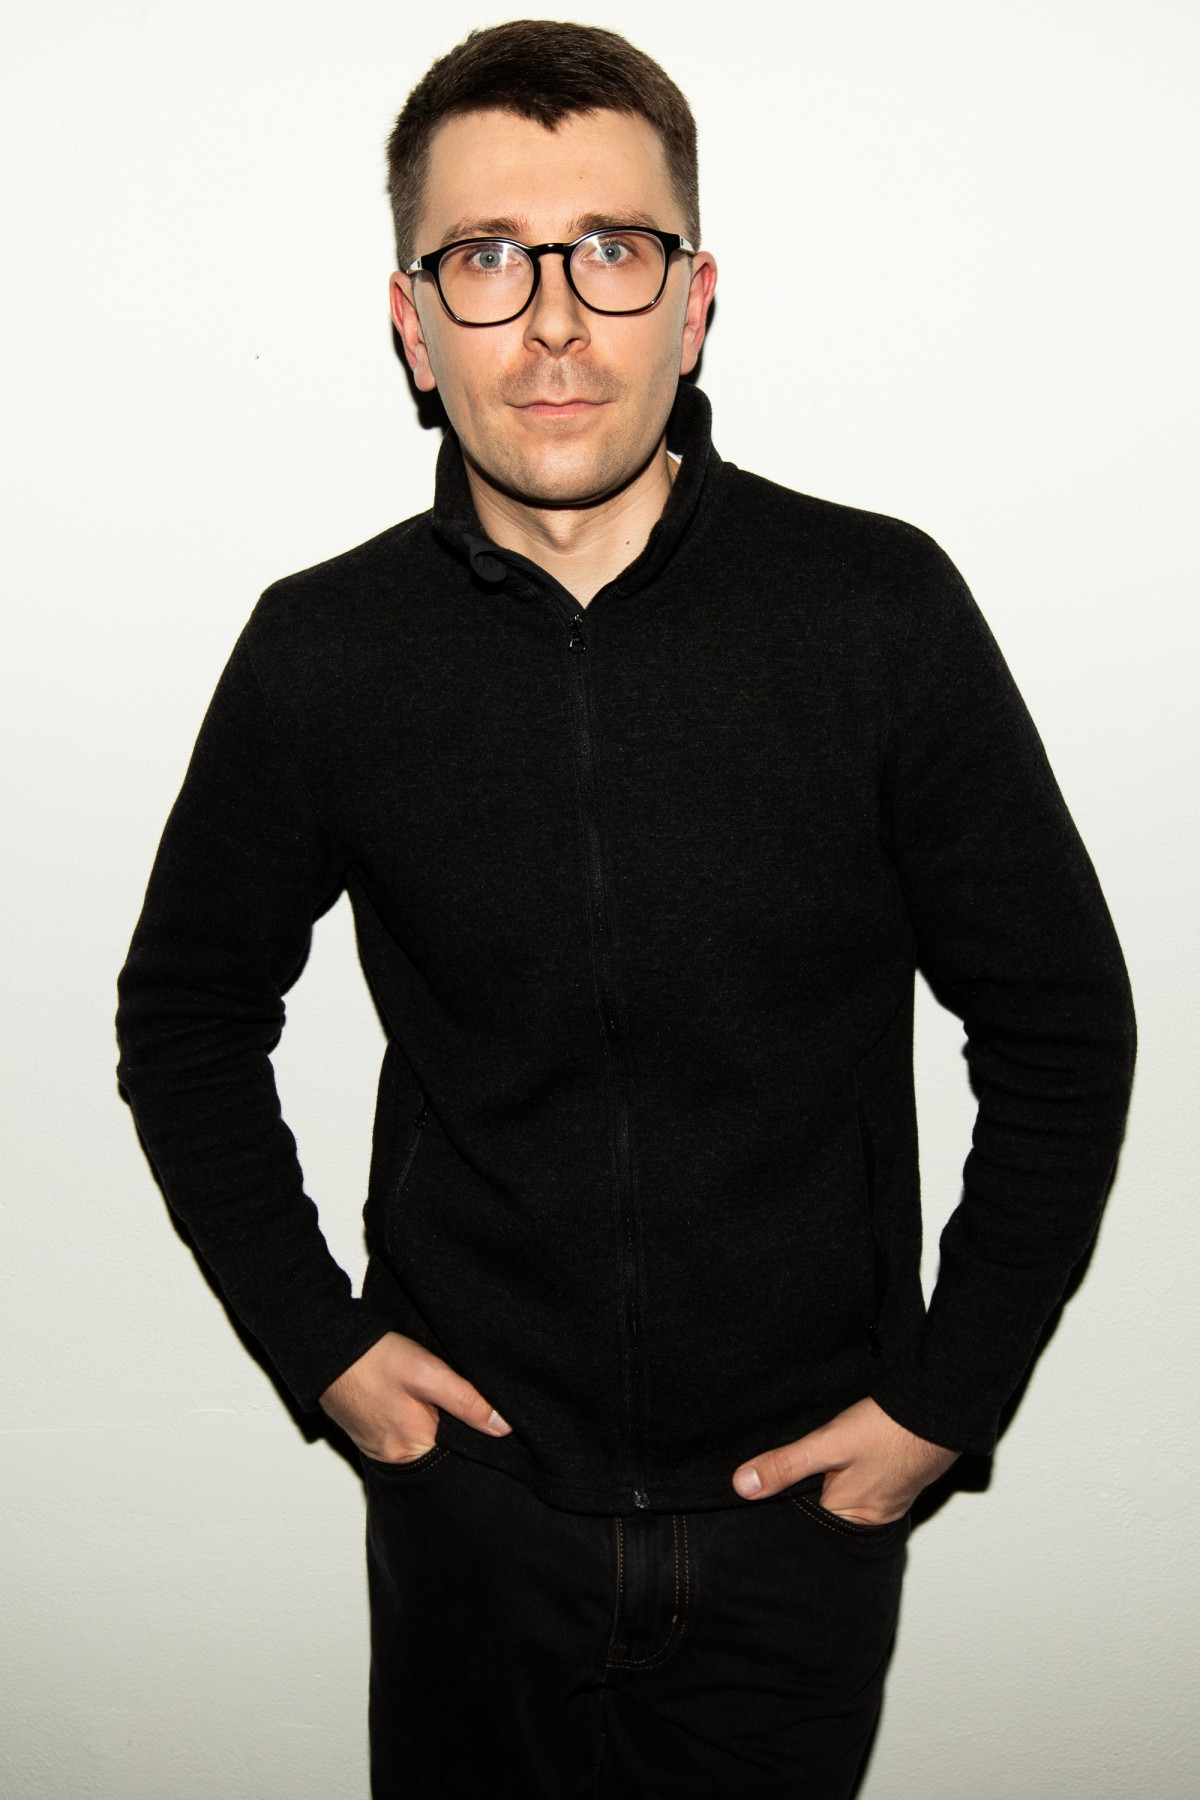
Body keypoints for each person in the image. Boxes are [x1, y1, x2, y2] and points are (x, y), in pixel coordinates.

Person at [115, 20, 1136, 1798]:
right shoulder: (323, 651)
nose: (555, 321)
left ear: (694, 299)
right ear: (413, 323)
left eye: (612, 249)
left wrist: (943, 1404)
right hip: (473, 1510)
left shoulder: (877, 613)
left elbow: (1060, 1024)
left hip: (798, 1520)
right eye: (485, 259)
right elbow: (186, 1020)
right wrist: (323, 1349)